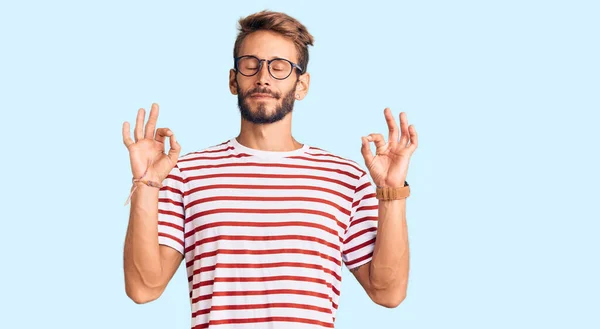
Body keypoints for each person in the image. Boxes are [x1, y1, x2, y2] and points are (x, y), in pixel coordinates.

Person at [122, 10, 418, 329]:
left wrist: (391, 194)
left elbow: (387, 293)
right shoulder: (185, 173)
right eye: (251, 64)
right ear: (234, 80)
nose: (263, 77)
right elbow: (143, 289)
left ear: (301, 84)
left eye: (279, 67)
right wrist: (146, 184)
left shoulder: (346, 178)